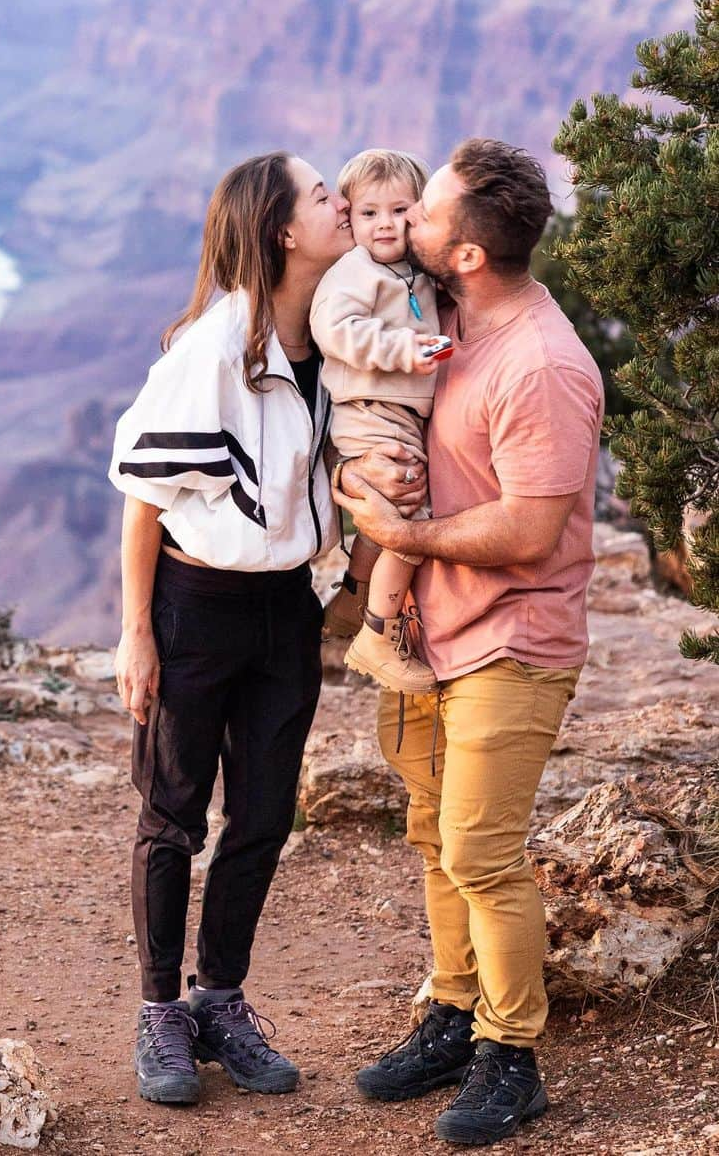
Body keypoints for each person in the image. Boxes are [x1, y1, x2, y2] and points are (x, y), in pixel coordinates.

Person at [109, 151, 415, 1107]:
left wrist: (354, 579)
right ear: (284, 232)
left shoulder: (331, 344)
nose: (342, 205)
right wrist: (137, 635)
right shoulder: (210, 354)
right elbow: (145, 498)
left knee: (265, 816)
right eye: (325, 195)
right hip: (195, 608)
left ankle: (220, 999)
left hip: (284, 608)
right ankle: (162, 1012)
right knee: (172, 813)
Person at [332, 138, 603, 1147]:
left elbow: (530, 529)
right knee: (433, 837)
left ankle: (511, 1056)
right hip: (431, 634)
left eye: (430, 213)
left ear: (470, 254)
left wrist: (403, 537)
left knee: (484, 854)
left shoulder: (541, 365)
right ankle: (451, 1010)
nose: (409, 222)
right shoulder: (443, 317)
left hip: (513, 644)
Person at [310, 148, 444, 693]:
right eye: (369, 213)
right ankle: (378, 634)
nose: (384, 224)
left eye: (398, 210)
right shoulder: (354, 271)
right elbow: (334, 330)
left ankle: (351, 596)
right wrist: (402, 351)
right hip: (370, 411)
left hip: (399, 413)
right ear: (350, 216)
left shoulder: (415, 269)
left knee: (383, 514)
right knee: (411, 519)